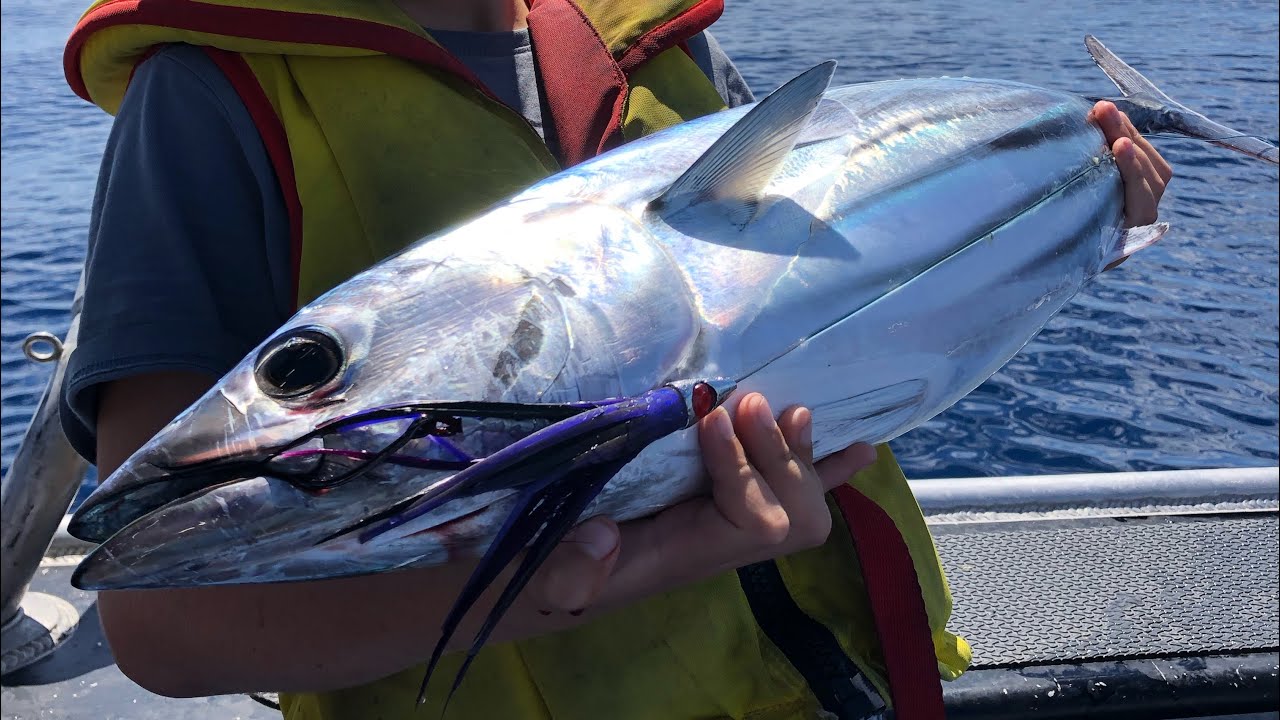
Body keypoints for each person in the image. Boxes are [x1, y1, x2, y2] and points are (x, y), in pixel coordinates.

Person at [59, 0, 1172, 718]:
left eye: (308, 372)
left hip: (839, 681)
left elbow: (857, 285)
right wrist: (617, 566)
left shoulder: (653, 42)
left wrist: (1075, 229)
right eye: (305, 369)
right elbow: (168, 623)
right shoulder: (204, 102)